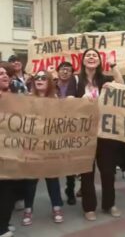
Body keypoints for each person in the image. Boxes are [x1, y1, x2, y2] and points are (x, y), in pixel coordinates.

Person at [66, 48, 124, 221]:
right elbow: (67, 100)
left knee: (108, 171)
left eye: (95, 56)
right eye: (88, 56)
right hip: (84, 133)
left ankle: (109, 204)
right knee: (86, 171)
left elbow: (121, 86)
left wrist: (113, 65)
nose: (91, 57)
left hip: (105, 133)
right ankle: (89, 207)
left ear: (99, 61)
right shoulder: (75, 79)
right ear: (83, 61)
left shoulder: (104, 79)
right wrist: (80, 100)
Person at [22, 70, 64, 226]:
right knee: (31, 179)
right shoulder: (26, 99)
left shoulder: (56, 100)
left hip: (49, 146)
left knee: (52, 178)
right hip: (32, 146)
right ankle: (28, 209)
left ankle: (57, 206)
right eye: (36, 78)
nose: (39, 80)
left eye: (43, 78)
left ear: (49, 82)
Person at [55, 62, 78, 205]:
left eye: (68, 70)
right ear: (57, 71)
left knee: (70, 161)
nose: (65, 72)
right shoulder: (50, 84)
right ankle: (55, 196)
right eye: (62, 70)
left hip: (71, 127)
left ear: (72, 73)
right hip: (53, 127)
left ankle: (70, 190)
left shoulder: (75, 87)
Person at [0, 61, 18, 237]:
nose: (4, 75)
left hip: (10, 154)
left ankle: (4, 222)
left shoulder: (14, 96)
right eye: (0, 74)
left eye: (6, 73)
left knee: (8, 191)